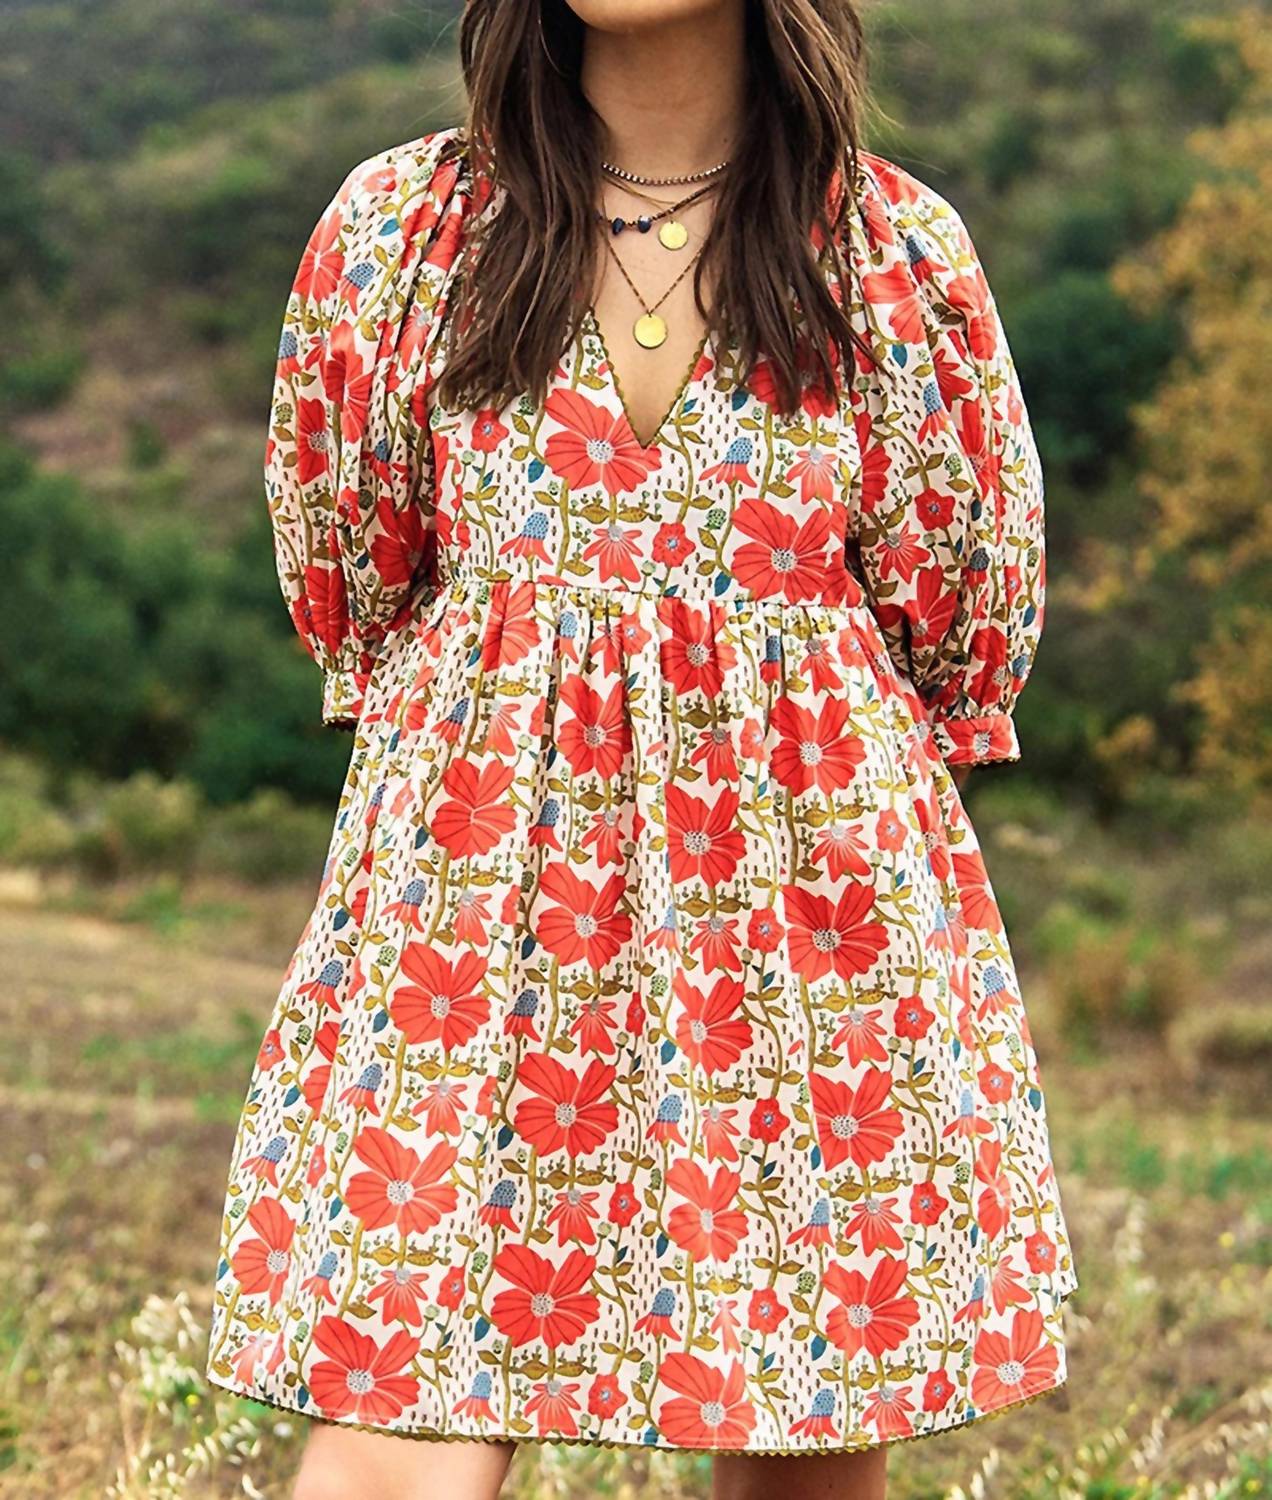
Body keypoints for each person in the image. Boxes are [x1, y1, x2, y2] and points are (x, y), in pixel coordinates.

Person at [203, 2, 1077, 1496]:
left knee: (798, 1408)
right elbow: (360, 566)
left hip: (797, 924)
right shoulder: (410, 232)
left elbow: (955, 619)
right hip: (477, 910)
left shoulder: (889, 254)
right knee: (396, 1390)